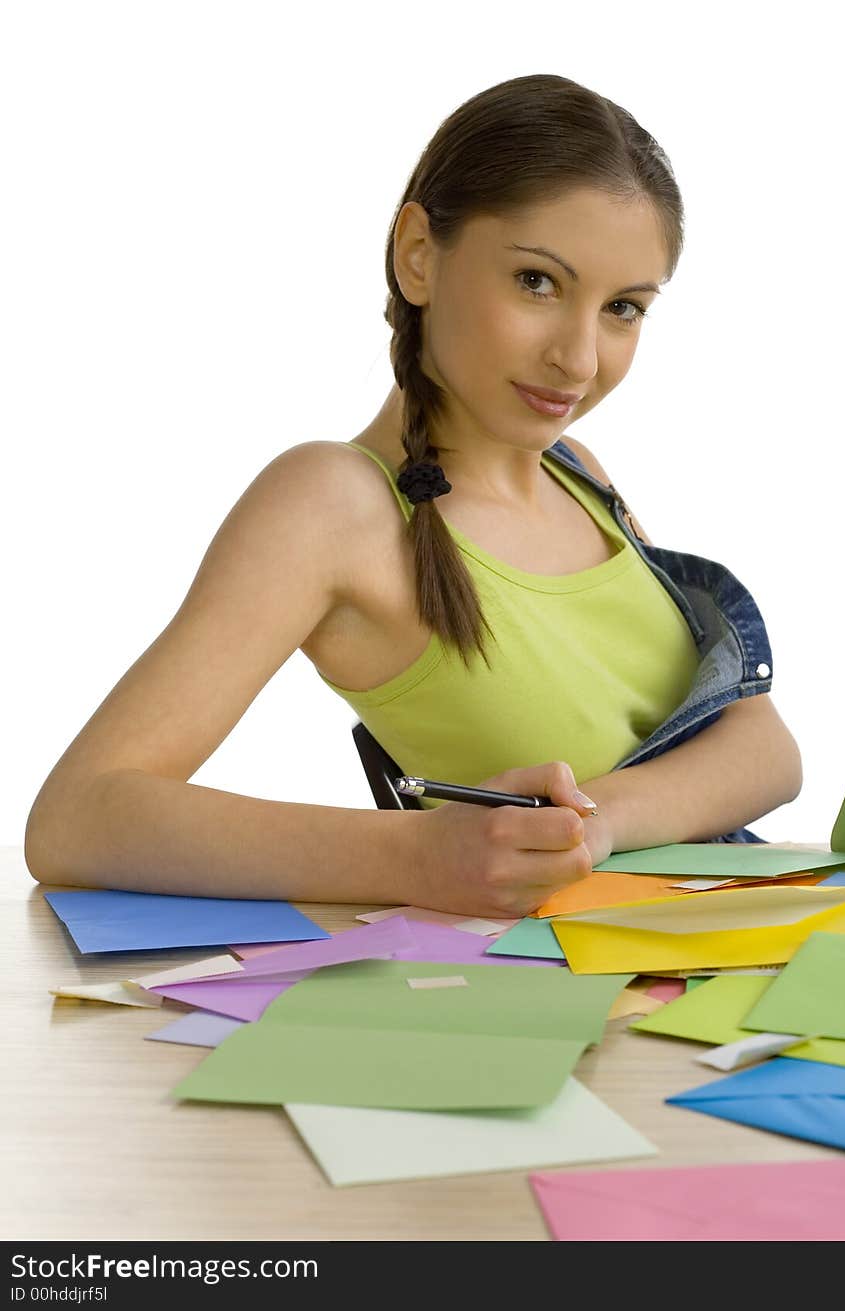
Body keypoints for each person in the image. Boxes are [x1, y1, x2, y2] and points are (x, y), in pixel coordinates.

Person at [24, 73, 803, 918]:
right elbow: (76, 819)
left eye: (622, 308)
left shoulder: (580, 474)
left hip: (728, 954)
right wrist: (426, 856)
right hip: (585, 1006)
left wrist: (594, 821)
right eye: (538, 282)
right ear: (419, 256)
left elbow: (767, 749)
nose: (579, 358)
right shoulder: (334, 507)